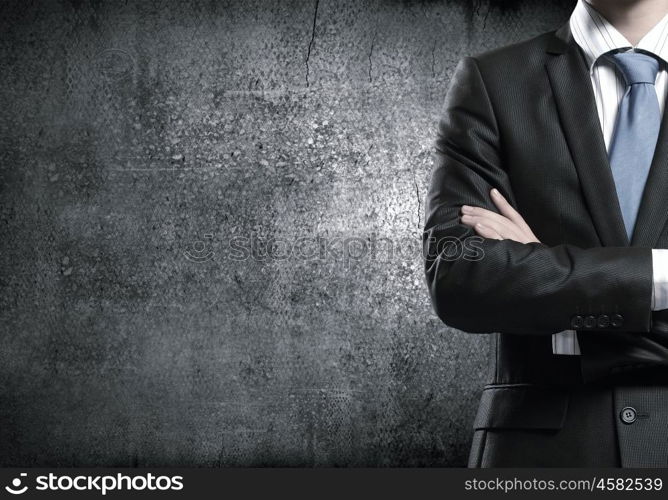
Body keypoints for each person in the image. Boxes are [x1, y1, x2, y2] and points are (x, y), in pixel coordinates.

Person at [424, 0, 668, 467]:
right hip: (541, 456)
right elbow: (458, 275)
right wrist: (659, 274)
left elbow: (510, 279)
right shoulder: (494, 81)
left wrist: (543, 271)